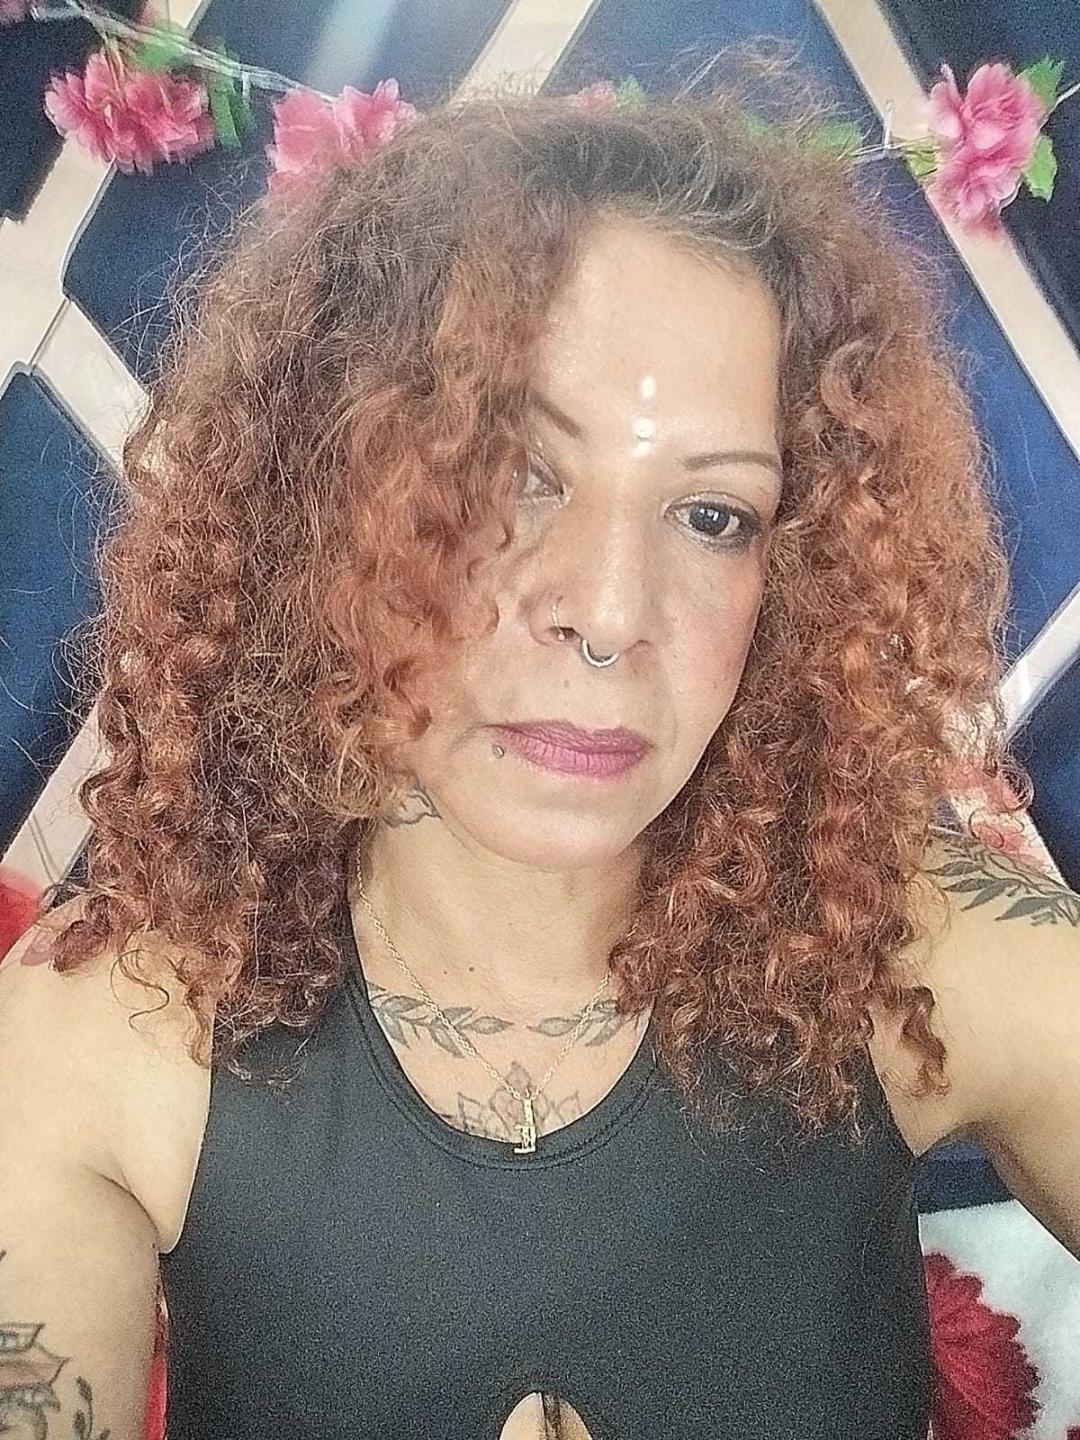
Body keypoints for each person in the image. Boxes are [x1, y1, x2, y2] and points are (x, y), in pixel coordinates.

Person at [2, 59, 1078, 1440]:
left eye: (714, 517)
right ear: (327, 497)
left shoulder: (922, 946)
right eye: (513, 476)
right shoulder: (105, 1033)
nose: (611, 614)